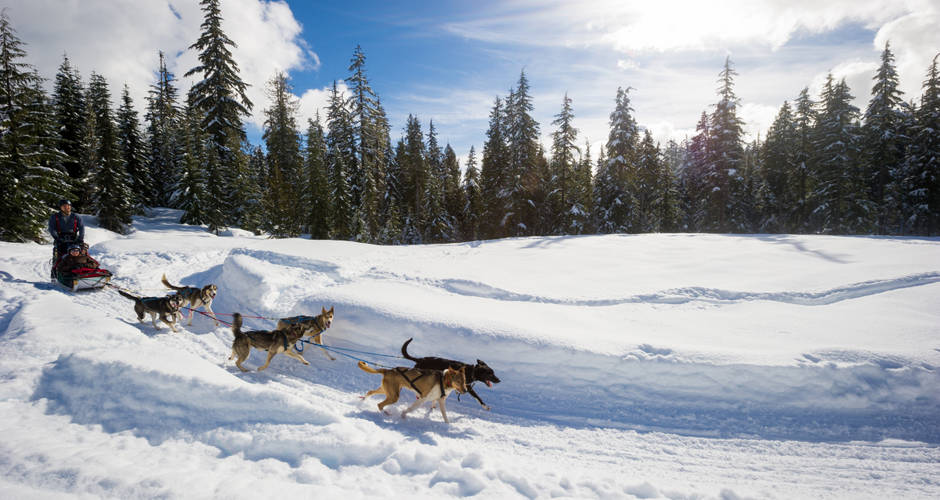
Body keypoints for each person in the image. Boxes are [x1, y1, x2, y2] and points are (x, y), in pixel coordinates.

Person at [48, 199, 84, 277]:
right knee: (58, 256)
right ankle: (54, 275)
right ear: (61, 207)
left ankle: (80, 271)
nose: (66, 208)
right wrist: (57, 239)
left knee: (79, 254)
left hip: (74, 238)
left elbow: (81, 228)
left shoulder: (76, 217)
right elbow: (52, 229)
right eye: (64, 206)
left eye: (68, 206)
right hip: (60, 238)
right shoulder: (55, 217)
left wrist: (80, 239)